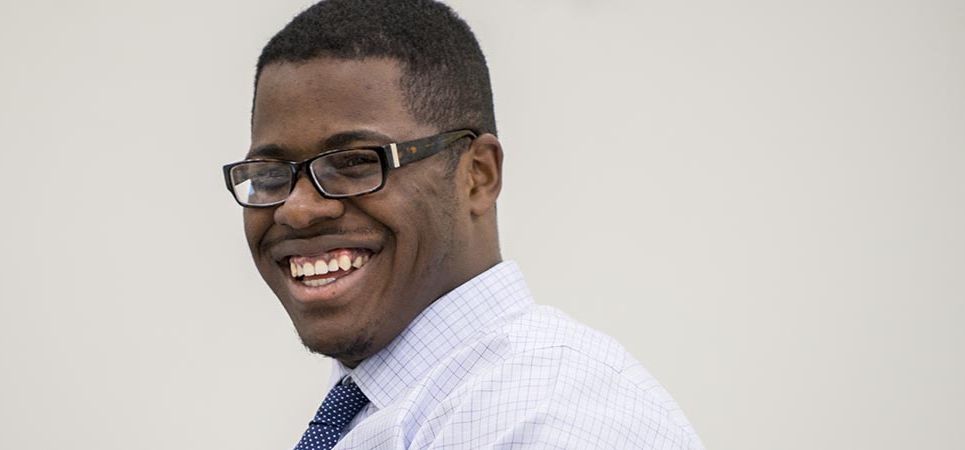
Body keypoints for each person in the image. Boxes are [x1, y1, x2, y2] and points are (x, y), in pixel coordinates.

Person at [221, 1, 705, 448]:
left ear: (478, 175)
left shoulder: (554, 418)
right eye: (269, 173)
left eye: (354, 163)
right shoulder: (390, 405)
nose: (299, 210)